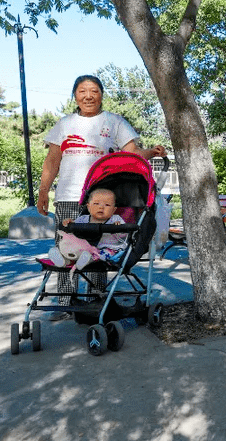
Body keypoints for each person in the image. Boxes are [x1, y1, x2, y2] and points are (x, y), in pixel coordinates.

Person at [37, 74, 166, 311]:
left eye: (94, 91)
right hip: (67, 196)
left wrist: (152, 152)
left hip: (100, 198)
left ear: (101, 95)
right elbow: (52, 160)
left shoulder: (114, 121)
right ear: (75, 96)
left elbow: (131, 154)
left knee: (99, 249)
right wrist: (43, 191)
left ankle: (97, 299)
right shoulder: (64, 124)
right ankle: (66, 302)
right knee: (67, 247)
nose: (88, 96)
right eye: (82, 91)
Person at [67, 188, 128, 263]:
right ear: (88, 207)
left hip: (109, 249)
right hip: (88, 248)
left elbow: (124, 235)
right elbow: (74, 229)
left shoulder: (115, 219)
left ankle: (88, 260)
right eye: (96, 203)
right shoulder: (83, 219)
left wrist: (118, 227)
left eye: (107, 205)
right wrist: (69, 223)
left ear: (113, 210)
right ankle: (64, 257)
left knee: (104, 254)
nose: (101, 207)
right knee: (74, 246)